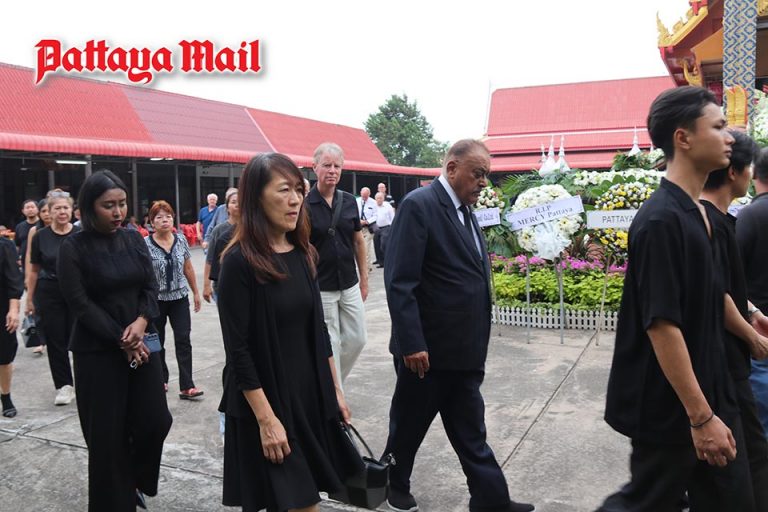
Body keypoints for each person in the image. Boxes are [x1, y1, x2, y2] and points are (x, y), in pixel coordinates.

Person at [598, 86, 754, 511]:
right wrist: (700, 418)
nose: (729, 137)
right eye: (718, 127)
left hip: (711, 391)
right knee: (645, 502)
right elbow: (662, 325)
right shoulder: (660, 221)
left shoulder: (700, 213)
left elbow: (709, 296)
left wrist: (749, 319)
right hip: (671, 408)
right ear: (683, 138)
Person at [383, 139, 534, 512]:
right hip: (427, 351)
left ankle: (491, 499)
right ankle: (392, 483)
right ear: (452, 168)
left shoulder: (466, 212)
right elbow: (400, 281)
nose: (484, 182)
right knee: (409, 424)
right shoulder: (419, 206)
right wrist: (411, 342)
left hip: (463, 349)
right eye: (478, 173)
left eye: (487, 175)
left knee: (471, 431)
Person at [217, 152, 358, 512]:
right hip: (267, 402)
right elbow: (238, 352)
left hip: (307, 398)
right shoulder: (238, 262)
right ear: (256, 197)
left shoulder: (303, 253)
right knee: (302, 503)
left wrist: (335, 391)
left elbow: (319, 331)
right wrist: (267, 421)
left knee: (295, 501)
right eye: (284, 190)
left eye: (298, 189)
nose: (295, 200)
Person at [58, 170, 172, 512]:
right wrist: (122, 339)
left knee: (156, 421)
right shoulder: (73, 247)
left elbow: (150, 287)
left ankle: (134, 479)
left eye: (122, 203)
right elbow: (79, 303)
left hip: (143, 344)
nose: (118, 211)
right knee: (107, 438)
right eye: (108, 205)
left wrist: (142, 321)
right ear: (89, 207)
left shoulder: (134, 239)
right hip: (97, 353)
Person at [700, 130, 768, 509]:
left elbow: (727, 287)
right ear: (733, 172)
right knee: (733, 471)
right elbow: (715, 293)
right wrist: (752, 335)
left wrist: (753, 314)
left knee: (753, 454)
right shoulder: (705, 221)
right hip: (721, 365)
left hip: (735, 361)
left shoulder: (728, 219)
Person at [307, 142, 368, 385]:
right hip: (322, 286)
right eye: (327, 165)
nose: (332, 170)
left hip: (349, 282)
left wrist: (364, 279)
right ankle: (335, 395)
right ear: (315, 167)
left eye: (337, 166)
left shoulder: (349, 201)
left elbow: (358, 241)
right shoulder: (304, 205)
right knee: (330, 342)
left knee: (358, 339)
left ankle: (329, 386)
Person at [145, 200, 204, 399]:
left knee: (183, 339)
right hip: (156, 300)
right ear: (152, 222)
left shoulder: (181, 240)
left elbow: (188, 267)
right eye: (159, 217)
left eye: (168, 216)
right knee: (156, 341)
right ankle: (159, 379)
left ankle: (187, 385)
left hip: (179, 298)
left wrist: (195, 292)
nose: (165, 220)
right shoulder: (145, 244)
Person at [26, 190, 80, 406]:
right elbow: (34, 269)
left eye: (66, 207)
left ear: (72, 210)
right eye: (57, 208)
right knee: (56, 340)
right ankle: (64, 385)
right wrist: (29, 299)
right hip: (49, 292)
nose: (62, 212)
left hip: (77, 291)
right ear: (49, 211)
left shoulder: (80, 234)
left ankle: (85, 380)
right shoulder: (40, 236)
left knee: (81, 337)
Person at [738, 147, 768, 434]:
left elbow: (729, 274)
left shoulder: (750, 216)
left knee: (760, 424)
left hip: (758, 330)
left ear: (754, 173)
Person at [203, 188, 239, 304]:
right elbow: (210, 259)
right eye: (233, 202)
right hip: (222, 282)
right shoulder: (219, 230)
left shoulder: (251, 229)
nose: (237, 204)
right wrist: (206, 285)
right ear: (227, 208)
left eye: (241, 201)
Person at [0, 234, 22, 417]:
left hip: (1, 308)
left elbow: (14, 280)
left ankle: (5, 396)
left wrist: (13, 310)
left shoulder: (4, 246)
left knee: (4, 355)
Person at [14, 198, 39, 272]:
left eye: (32, 207)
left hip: (39, 260)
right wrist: (17, 258)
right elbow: (17, 245)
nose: (30, 209)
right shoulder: (19, 226)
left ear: (38, 209)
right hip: (24, 262)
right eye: (27, 208)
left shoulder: (42, 225)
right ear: (23, 211)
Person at [356, 187, 378, 272]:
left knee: (366, 247)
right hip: (358, 227)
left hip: (368, 227)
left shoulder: (373, 202)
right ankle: (367, 265)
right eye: (363, 196)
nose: (364, 198)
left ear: (369, 194)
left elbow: (376, 215)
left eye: (366, 196)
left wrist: (367, 221)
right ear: (360, 193)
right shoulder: (356, 201)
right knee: (358, 247)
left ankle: (366, 268)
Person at [373, 191, 394, 268]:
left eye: (380, 198)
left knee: (383, 244)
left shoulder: (388, 205)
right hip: (376, 227)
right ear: (375, 199)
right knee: (377, 244)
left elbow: (392, 216)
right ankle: (381, 262)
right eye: (377, 198)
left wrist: (392, 226)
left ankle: (387, 261)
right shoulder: (373, 206)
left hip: (386, 227)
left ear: (383, 198)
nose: (379, 199)